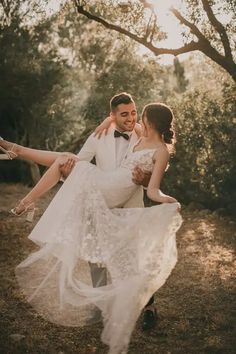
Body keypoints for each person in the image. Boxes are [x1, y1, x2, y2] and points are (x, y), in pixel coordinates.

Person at [1, 102, 182, 354]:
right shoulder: (133, 131)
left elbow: (153, 189)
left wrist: (169, 200)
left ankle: (24, 190)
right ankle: (16, 153)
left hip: (119, 195)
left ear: (149, 121)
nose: (132, 119)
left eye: (137, 115)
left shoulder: (160, 149)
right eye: (125, 114)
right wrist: (106, 122)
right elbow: (113, 127)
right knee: (66, 160)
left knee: (133, 258)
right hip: (106, 186)